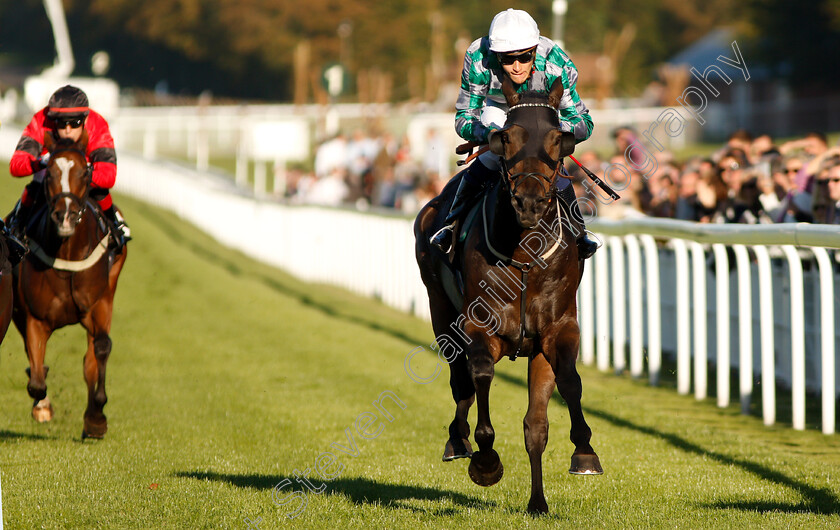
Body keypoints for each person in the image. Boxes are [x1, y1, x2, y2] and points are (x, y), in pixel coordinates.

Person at [430, 8, 598, 257]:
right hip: (499, 109)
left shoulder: (557, 64)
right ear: (496, 56)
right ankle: (451, 224)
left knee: (550, 161)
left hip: (544, 113)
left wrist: (552, 135)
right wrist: (490, 135)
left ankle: (579, 230)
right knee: (490, 156)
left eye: (524, 58)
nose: (517, 67)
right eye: (507, 60)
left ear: (535, 50)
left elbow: (584, 122)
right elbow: (465, 117)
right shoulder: (478, 57)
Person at [7, 85, 130, 252]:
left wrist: (81, 173)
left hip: (83, 174)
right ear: (53, 120)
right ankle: (17, 227)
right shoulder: (41, 120)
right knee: (35, 186)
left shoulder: (97, 124)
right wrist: (39, 163)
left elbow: (108, 176)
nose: (67, 130)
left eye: (75, 123)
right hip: (50, 173)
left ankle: (114, 226)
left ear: (85, 119)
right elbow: (16, 166)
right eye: (61, 123)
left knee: (101, 191)